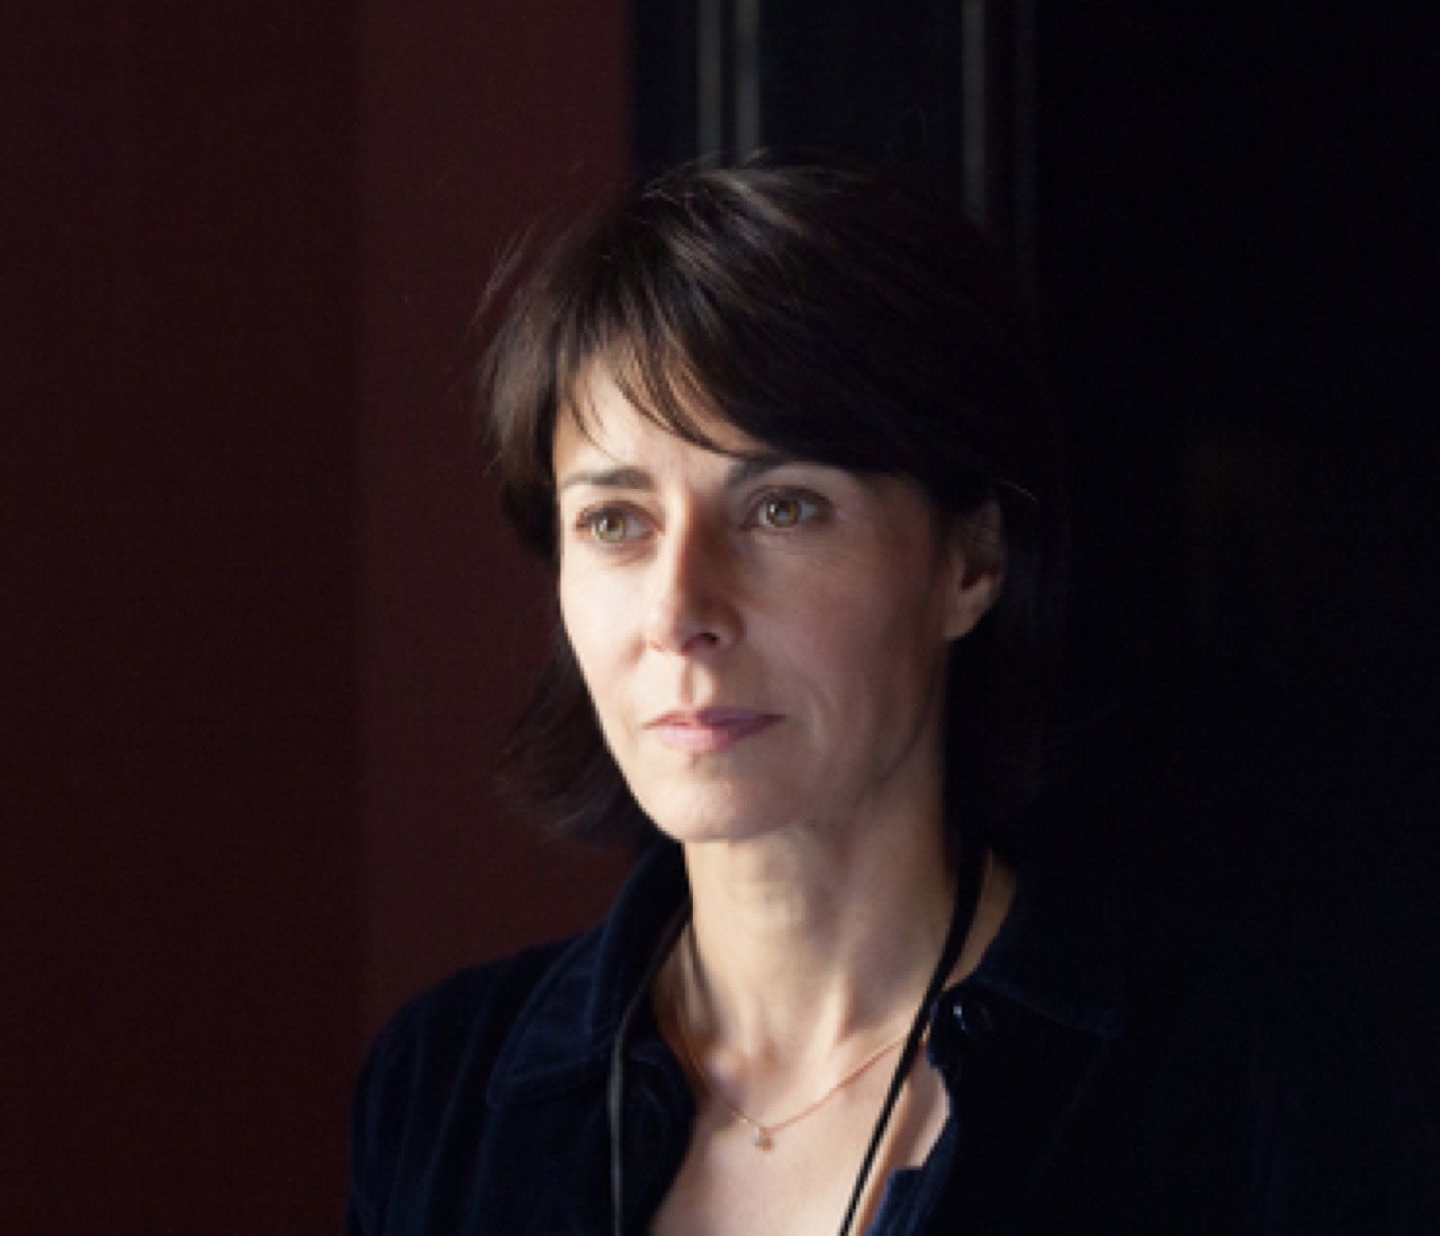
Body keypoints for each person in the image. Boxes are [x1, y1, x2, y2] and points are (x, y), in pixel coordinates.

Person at [345, 158, 1434, 1235]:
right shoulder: (441, 1089)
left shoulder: (1247, 1089)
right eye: (615, 522)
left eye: (782, 509)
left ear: (971, 561)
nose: (679, 611)